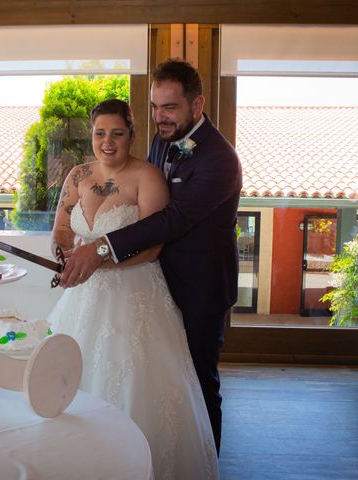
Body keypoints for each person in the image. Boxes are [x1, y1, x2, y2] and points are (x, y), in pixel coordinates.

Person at [59, 59, 243, 454]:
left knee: (195, 383)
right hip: (152, 279)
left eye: (170, 107)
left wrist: (101, 247)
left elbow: (173, 219)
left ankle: (204, 461)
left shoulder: (220, 160)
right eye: (156, 107)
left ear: (198, 105)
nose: (160, 116)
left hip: (200, 285)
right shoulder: (164, 137)